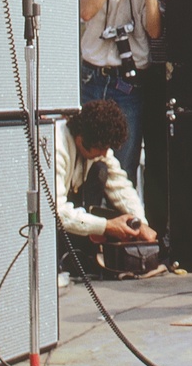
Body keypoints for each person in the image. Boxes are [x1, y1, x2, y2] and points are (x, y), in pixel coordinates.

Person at [79, 0, 163, 188]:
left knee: (123, 169)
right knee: (83, 162)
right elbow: (86, 11)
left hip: (127, 85)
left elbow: (154, 31)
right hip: (92, 78)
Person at [54, 99, 160, 276]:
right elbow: (57, 211)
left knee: (102, 169)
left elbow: (120, 186)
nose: (104, 153)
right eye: (101, 148)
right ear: (81, 139)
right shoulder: (58, 147)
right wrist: (106, 226)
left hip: (71, 203)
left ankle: (82, 254)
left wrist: (140, 223)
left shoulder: (95, 142)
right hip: (56, 214)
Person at [130, 0, 177, 233]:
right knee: (147, 156)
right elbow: (153, 30)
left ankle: (164, 226)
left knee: (164, 157)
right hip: (149, 71)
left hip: (170, 72)